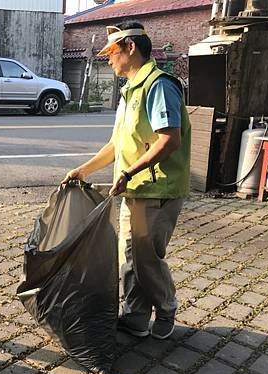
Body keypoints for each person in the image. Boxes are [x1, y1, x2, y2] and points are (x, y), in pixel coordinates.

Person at [61, 22, 191, 340]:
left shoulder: (158, 86)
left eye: (112, 52)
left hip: (157, 189)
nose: (108, 60)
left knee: (146, 258)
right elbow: (117, 145)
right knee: (129, 255)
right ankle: (135, 315)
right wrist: (84, 169)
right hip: (133, 188)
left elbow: (169, 140)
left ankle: (167, 307)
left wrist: (130, 172)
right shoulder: (129, 91)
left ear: (130, 48)